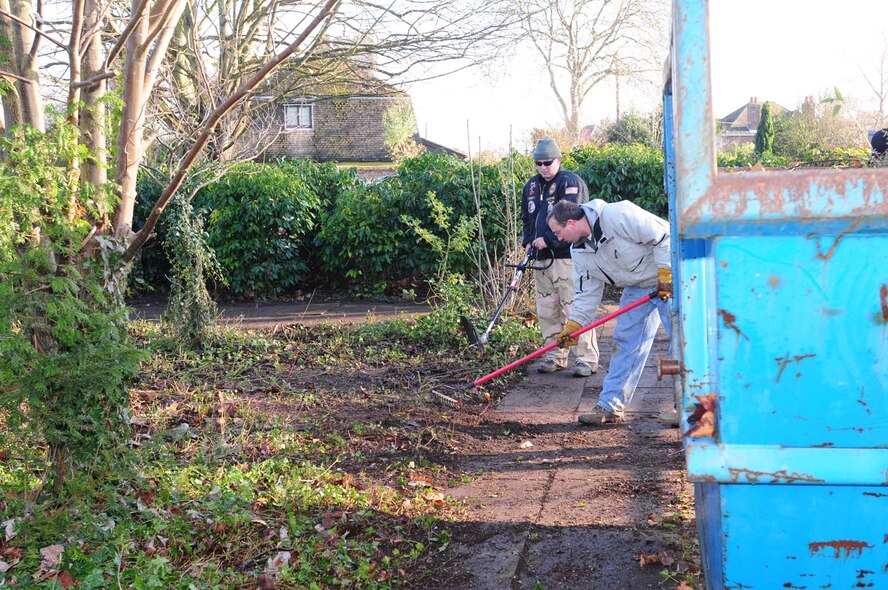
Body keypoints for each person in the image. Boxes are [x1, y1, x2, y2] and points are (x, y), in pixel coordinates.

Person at [547, 199, 672, 425]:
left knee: (684, 341)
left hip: (670, 280)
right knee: (624, 342)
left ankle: (690, 407)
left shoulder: (616, 215)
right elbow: (586, 294)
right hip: (637, 287)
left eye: (558, 231)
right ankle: (610, 406)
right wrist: (575, 326)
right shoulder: (580, 253)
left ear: (572, 223)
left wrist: (666, 273)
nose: (558, 238)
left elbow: (663, 236)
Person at [521, 138, 599, 377]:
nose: (543, 167)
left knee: (574, 307)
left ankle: (586, 359)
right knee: (547, 309)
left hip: (566, 257)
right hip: (540, 259)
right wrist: (527, 241)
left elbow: (572, 220)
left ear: (559, 160)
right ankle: (555, 354)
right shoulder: (531, 186)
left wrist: (551, 240)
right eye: (539, 163)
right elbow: (527, 218)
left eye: (548, 162)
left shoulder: (570, 182)